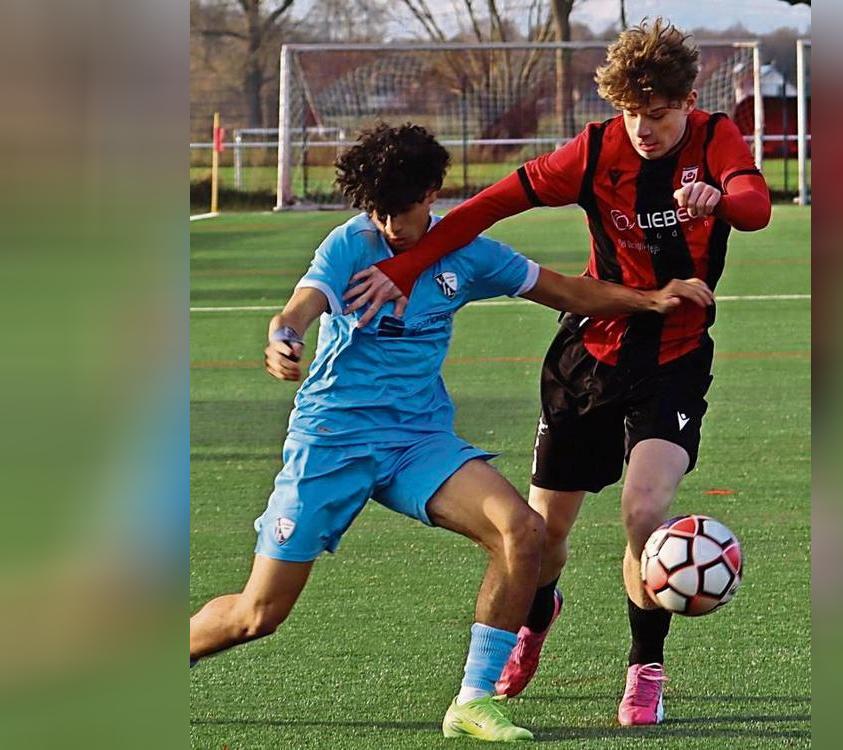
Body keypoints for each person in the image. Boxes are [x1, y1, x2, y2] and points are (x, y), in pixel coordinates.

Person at [189, 122, 704, 742]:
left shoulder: (468, 253)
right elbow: (301, 306)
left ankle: (474, 699)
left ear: (432, 192)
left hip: (417, 442)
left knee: (524, 531)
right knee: (258, 614)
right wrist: (283, 335)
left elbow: (566, 289)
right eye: (377, 211)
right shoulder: (352, 243)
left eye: (400, 212)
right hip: (331, 442)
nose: (389, 226)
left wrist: (650, 300)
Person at [341, 20, 771, 726]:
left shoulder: (715, 138)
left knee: (644, 512)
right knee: (544, 538)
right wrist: (405, 264)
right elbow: (487, 207)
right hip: (589, 356)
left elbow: (754, 204)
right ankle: (537, 620)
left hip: (674, 358)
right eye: (632, 112)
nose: (643, 129)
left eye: (658, 114)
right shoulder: (596, 150)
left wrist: (720, 198)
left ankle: (644, 668)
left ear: (688, 101)